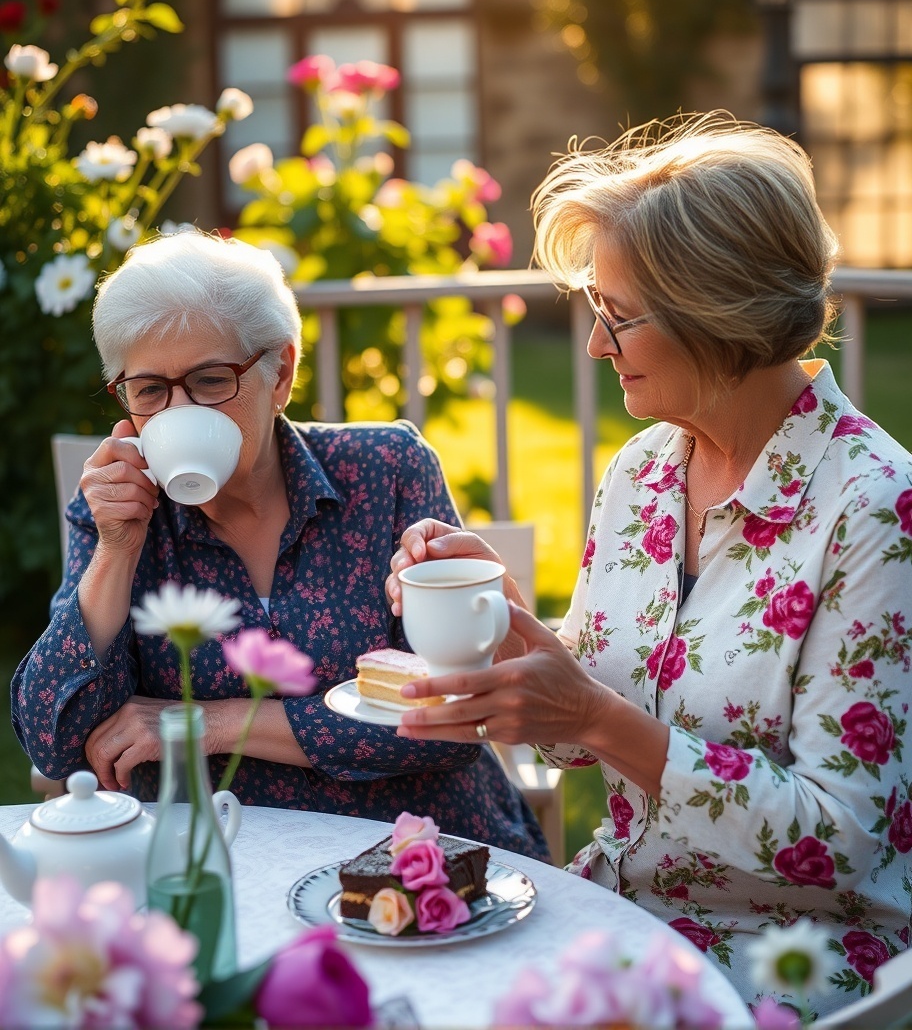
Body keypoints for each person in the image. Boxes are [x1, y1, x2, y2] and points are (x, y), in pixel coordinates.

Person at [385, 114, 912, 1015]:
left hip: (792, 958)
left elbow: (842, 839)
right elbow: (577, 724)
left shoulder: (875, 507)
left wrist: (595, 716)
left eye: (616, 317)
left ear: (720, 317)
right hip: (623, 913)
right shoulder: (642, 473)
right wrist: (506, 624)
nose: (595, 346)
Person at [11, 229, 548, 862]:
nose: (178, 413)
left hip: (427, 858)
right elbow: (54, 739)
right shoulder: (117, 513)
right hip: (220, 868)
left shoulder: (387, 469)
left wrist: (197, 725)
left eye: (211, 381)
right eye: (150, 390)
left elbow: (454, 715)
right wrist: (118, 546)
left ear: (282, 373)